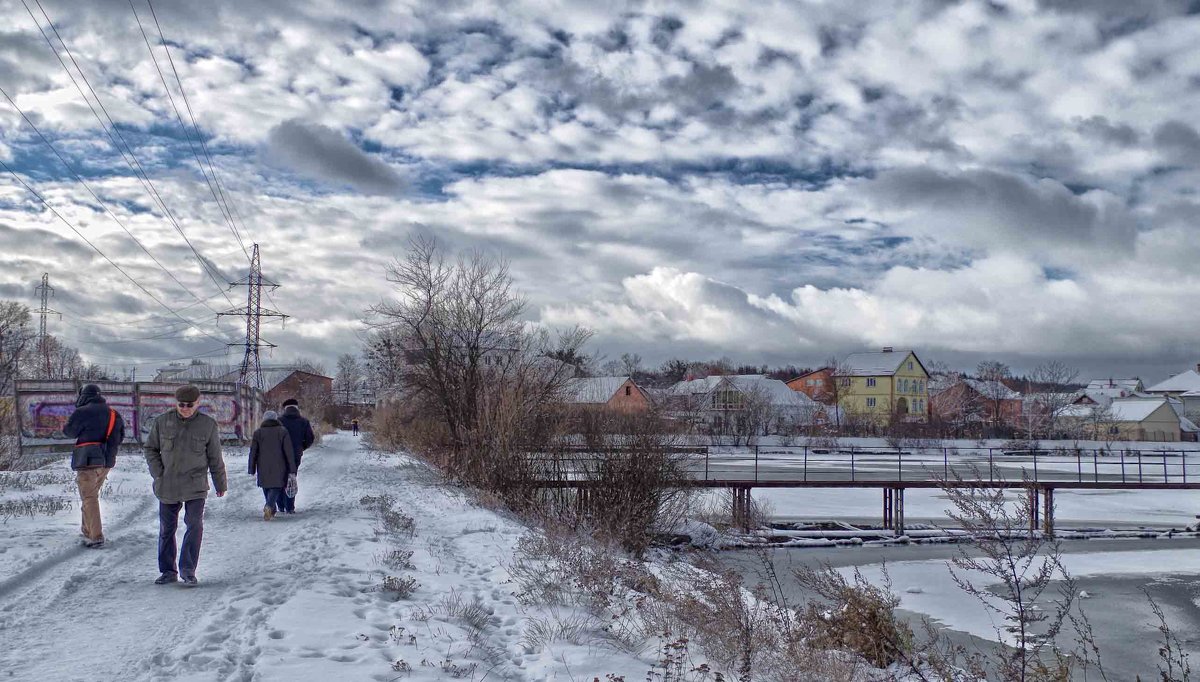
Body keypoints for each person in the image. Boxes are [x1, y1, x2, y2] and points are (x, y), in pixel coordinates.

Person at [144, 385, 227, 587]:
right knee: (167, 529)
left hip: (195, 484)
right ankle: (167, 571)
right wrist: (158, 473)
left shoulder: (208, 425)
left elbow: (215, 457)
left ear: (198, 403)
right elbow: (150, 449)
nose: (185, 408)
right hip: (168, 484)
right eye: (181, 404)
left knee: (194, 525)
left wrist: (220, 482)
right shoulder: (162, 422)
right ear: (176, 403)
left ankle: (188, 570)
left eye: (190, 405)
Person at [63, 384, 125, 548]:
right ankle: (87, 530)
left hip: (87, 461)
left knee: (89, 497)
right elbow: (119, 438)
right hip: (105, 462)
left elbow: (69, 432)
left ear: (83, 395)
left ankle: (96, 536)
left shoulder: (82, 412)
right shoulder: (114, 414)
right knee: (90, 496)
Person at [248, 410, 294, 521]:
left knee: (267, 487)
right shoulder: (282, 431)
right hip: (279, 465)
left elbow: (253, 451)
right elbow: (288, 451)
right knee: (276, 487)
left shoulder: (258, 433)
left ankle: (271, 510)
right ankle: (269, 506)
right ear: (276, 419)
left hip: (262, 466)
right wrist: (292, 468)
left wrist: (251, 468)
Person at [277, 398, 314, 514]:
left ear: (285, 408)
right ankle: (290, 507)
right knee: (291, 478)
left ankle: (281, 505)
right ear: (297, 408)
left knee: (279, 479)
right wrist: (301, 447)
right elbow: (310, 438)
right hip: (295, 455)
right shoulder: (304, 422)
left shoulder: (279, 421)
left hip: (279, 454)